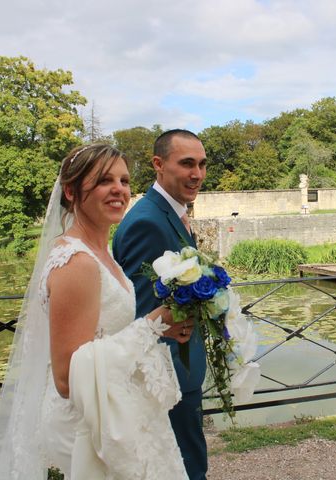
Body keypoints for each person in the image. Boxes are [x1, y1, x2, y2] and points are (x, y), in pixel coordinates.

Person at [0, 144, 190, 480]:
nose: (119, 188)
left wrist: (161, 329)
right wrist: (151, 325)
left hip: (112, 407)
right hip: (85, 427)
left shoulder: (100, 254)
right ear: (72, 191)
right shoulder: (77, 263)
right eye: (104, 180)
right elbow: (65, 378)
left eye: (124, 180)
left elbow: (103, 331)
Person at [113, 129, 208, 480]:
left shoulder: (168, 213)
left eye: (201, 164)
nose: (196, 174)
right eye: (186, 164)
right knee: (183, 467)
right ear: (158, 164)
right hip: (166, 376)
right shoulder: (148, 223)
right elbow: (141, 312)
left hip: (177, 371)